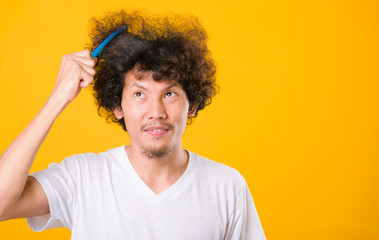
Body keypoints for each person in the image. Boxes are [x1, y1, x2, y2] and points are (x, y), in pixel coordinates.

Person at [0, 9, 266, 239]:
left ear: (192, 104)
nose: (156, 111)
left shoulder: (227, 186)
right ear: (117, 106)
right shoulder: (82, 178)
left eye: (170, 93)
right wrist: (57, 99)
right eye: (139, 94)